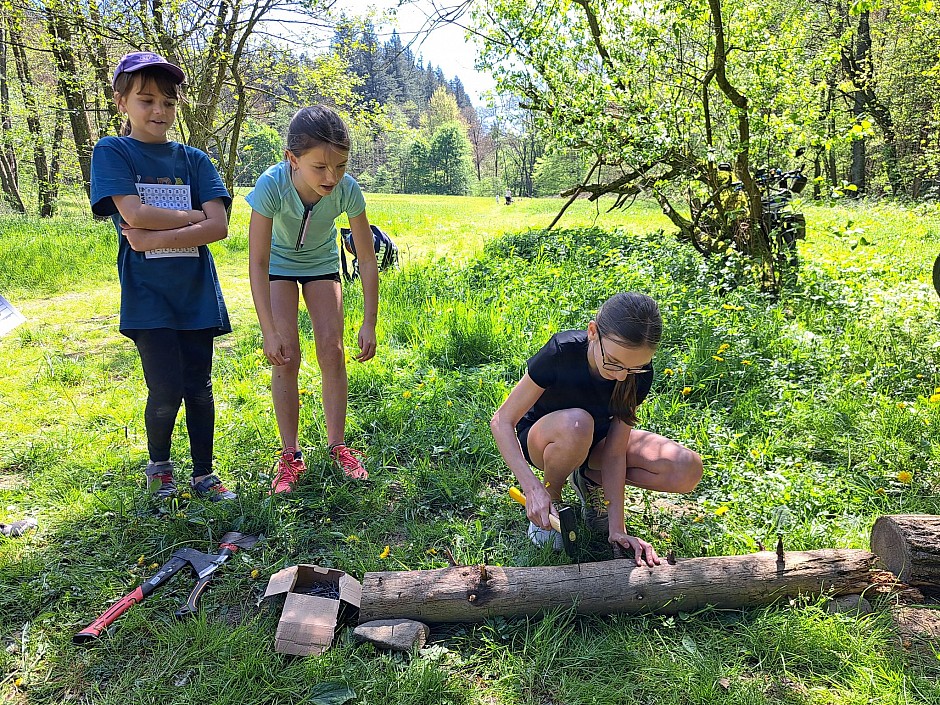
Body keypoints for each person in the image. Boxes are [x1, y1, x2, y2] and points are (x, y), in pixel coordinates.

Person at [90, 51, 236, 502]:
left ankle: (205, 475)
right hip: (148, 295)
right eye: (146, 100)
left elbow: (219, 226)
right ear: (121, 103)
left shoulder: (194, 160)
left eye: (168, 103)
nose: (159, 111)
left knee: (200, 386)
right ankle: (160, 470)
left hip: (195, 293)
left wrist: (154, 236)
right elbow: (132, 212)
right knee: (166, 387)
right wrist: (191, 217)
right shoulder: (113, 151)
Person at [490, 292, 703, 566]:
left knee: (686, 469)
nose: (622, 376)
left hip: (597, 444)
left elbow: (615, 452)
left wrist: (617, 529)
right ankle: (551, 499)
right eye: (613, 362)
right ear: (593, 332)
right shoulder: (561, 352)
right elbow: (502, 421)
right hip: (546, 438)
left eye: (635, 367)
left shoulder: (637, 374)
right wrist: (532, 489)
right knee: (578, 424)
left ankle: (589, 480)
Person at [247, 105, 379, 493]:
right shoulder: (272, 185)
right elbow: (256, 263)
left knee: (332, 350)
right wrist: (268, 331)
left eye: (339, 166)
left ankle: (338, 444)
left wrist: (369, 320)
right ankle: (290, 454)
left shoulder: (347, 190)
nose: (331, 177)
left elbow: (368, 259)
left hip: (321, 264)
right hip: (278, 265)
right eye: (320, 167)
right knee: (286, 353)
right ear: (293, 159)